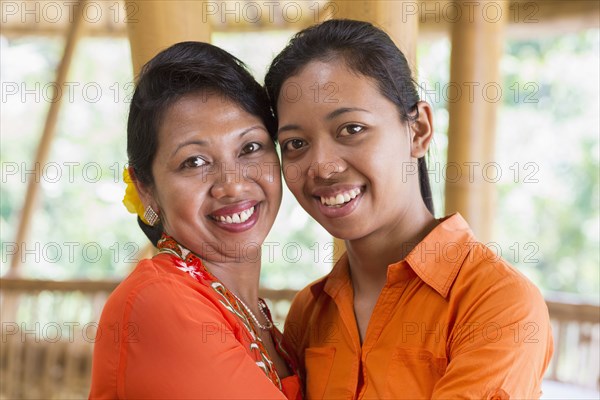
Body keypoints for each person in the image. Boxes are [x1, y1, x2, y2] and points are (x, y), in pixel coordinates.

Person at [264, 19, 553, 399]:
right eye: (296, 143)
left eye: (351, 129)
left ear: (418, 131)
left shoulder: (496, 302)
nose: (323, 166)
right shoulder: (310, 313)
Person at [90, 42, 300, 399]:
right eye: (195, 162)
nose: (232, 185)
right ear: (146, 189)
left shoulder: (256, 316)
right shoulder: (158, 302)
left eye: (250, 147)